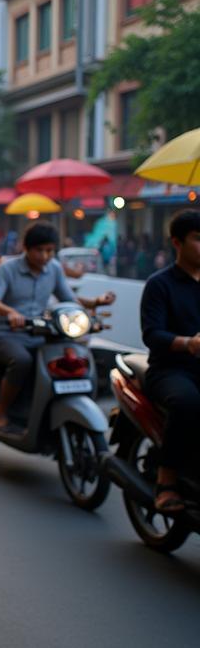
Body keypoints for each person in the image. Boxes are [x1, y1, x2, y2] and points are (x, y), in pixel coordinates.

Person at [0, 222, 115, 432]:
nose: (44, 256)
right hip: (5, 332)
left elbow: (69, 299)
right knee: (22, 361)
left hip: (39, 332)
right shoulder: (8, 268)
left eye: (49, 250)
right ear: (26, 248)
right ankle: (2, 409)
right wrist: (11, 312)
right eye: (39, 250)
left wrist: (95, 302)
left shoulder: (53, 268)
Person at [139, 209, 200, 512]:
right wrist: (188, 343)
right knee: (188, 403)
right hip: (170, 370)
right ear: (177, 242)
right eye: (198, 239)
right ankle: (167, 481)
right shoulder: (159, 284)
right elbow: (152, 334)